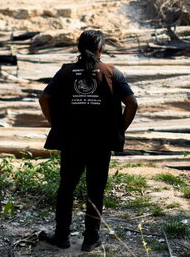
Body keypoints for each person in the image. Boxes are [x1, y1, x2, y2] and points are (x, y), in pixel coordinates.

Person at [38, 29, 139, 252]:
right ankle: (90, 239)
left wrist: (56, 124)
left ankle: (62, 237)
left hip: (71, 141)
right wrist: (118, 129)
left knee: (66, 188)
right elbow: (132, 104)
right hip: (100, 142)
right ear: (101, 49)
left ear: (79, 48)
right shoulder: (111, 72)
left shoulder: (66, 72)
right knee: (96, 189)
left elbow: (44, 98)